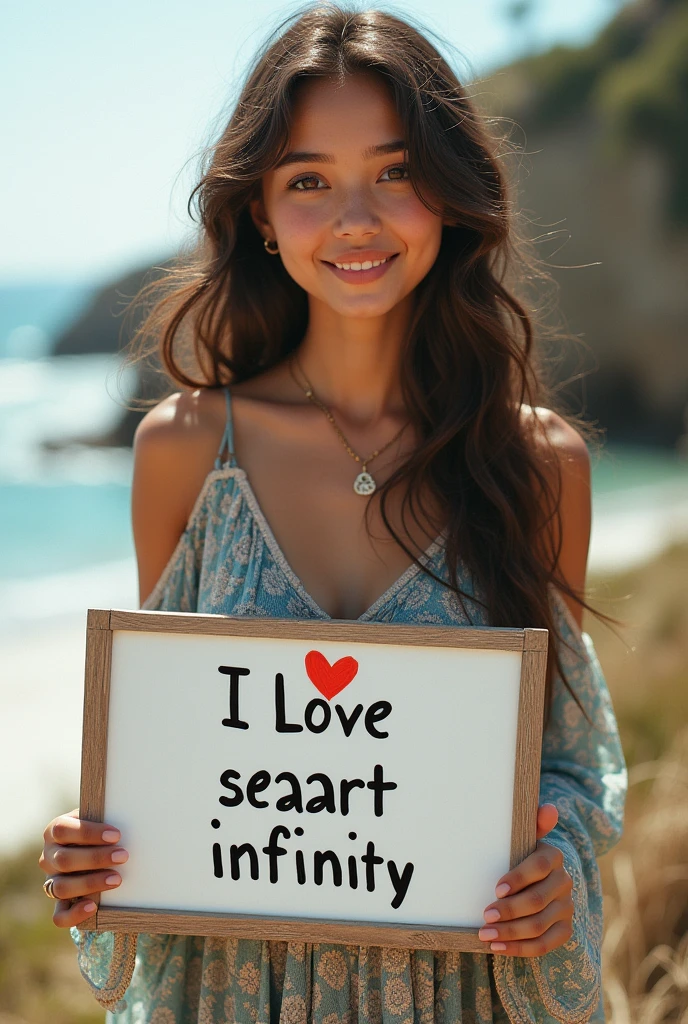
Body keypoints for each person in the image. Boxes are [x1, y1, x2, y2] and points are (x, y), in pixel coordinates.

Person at [38, 5, 626, 1022]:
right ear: (260, 213)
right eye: (308, 180)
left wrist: (556, 863)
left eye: (395, 171)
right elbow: (172, 757)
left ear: (447, 194)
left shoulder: (535, 465)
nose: (356, 218)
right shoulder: (183, 451)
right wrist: (97, 846)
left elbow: (566, 762)